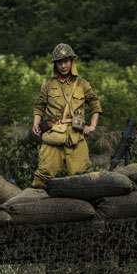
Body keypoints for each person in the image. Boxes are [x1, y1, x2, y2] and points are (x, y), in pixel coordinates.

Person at [31, 43, 101, 187]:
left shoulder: (82, 84)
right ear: (55, 65)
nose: (63, 66)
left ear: (71, 62)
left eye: (66, 62)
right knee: (42, 177)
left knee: (82, 177)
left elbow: (95, 104)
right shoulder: (48, 85)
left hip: (76, 136)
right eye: (59, 62)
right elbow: (39, 106)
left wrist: (92, 126)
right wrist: (35, 123)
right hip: (53, 136)